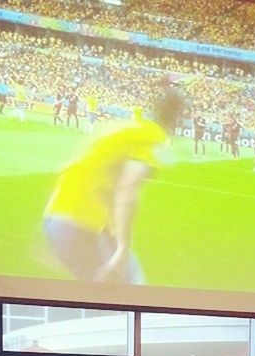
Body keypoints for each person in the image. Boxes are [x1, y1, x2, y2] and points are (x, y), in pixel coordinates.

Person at [42, 89, 184, 283]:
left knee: (102, 292)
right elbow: (126, 189)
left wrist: (53, 231)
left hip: (56, 218)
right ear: (178, 117)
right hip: (83, 224)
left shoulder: (124, 128)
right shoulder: (154, 137)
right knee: (133, 287)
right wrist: (122, 248)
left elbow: (80, 169)